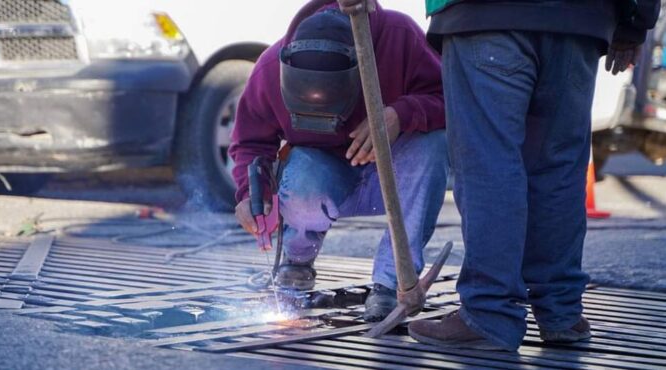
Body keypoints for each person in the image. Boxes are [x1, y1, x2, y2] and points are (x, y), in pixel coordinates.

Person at [340, 0, 660, 351]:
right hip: (580, 19)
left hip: (485, 15)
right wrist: (635, 20)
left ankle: (490, 313)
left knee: (487, 162)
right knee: (559, 167)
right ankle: (561, 311)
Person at [229, 3, 448, 321]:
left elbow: (449, 97)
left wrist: (400, 114)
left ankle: (392, 283)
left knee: (432, 144)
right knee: (302, 170)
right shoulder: (268, 70)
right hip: (326, 179)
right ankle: (297, 260)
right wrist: (251, 193)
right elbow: (251, 142)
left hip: (393, 178)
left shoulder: (399, 38)